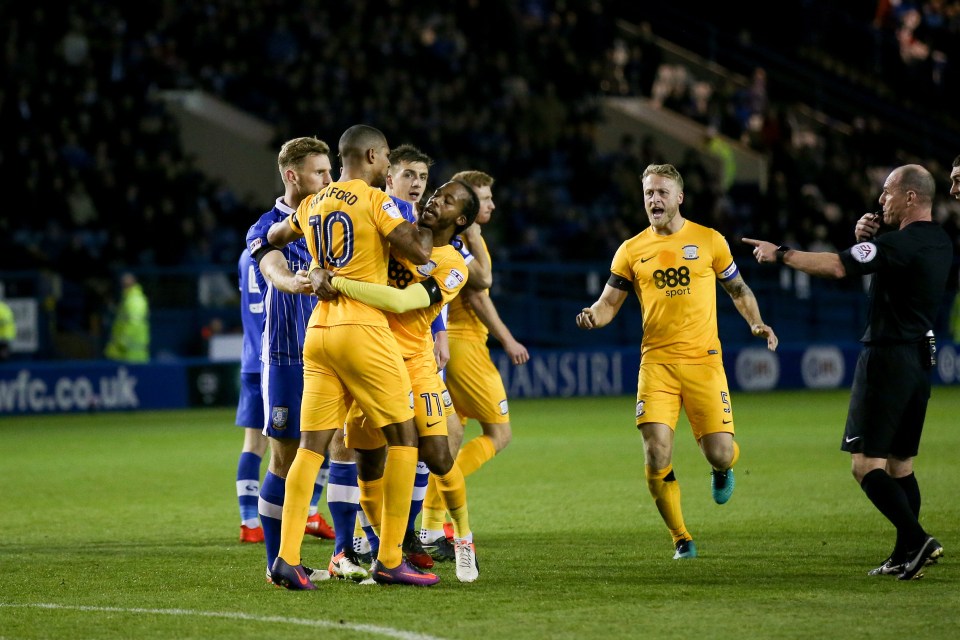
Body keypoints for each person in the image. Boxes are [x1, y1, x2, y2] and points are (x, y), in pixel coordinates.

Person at [743, 163, 949, 580]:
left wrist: (780, 253)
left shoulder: (901, 244)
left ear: (911, 197)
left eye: (888, 191)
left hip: (887, 359)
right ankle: (903, 554)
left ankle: (918, 539)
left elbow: (839, 267)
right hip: (920, 357)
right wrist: (869, 242)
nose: (881, 199)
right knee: (900, 465)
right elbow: (889, 265)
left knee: (864, 464)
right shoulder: (939, 241)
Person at [266, 124, 438, 589]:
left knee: (311, 447)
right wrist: (433, 227)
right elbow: (420, 250)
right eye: (385, 160)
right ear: (371, 155)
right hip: (362, 327)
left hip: (318, 331)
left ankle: (286, 558)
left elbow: (274, 238)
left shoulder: (312, 202)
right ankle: (390, 557)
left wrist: (314, 267)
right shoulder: (374, 199)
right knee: (405, 436)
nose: (388, 168)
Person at [576, 163, 777, 560]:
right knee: (656, 451)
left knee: (720, 451)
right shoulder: (631, 250)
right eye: (649, 192)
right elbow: (608, 303)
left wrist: (756, 322)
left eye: (662, 192)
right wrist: (592, 317)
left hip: (704, 363)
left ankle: (722, 469)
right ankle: (681, 537)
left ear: (679, 197)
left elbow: (738, 289)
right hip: (657, 365)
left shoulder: (709, 240)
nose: (654, 199)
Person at [328, 180, 483, 582]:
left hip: (415, 362)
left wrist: (336, 282)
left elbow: (402, 301)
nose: (435, 200)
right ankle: (386, 551)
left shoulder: (454, 265)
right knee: (368, 460)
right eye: (436, 194)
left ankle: (463, 537)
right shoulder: (396, 234)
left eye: (447, 201)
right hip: (372, 358)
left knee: (436, 454)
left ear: (461, 219)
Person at [418, 170, 528, 559]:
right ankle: (443, 504)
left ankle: (431, 525)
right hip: (463, 346)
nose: (490, 205)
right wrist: (509, 339)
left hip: (458, 345)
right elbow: (481, 289)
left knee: (451, 437)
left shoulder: (457, 236)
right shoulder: (461, 238)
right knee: (500, 435)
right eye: (483, 198)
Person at [245, 136, 336, 584]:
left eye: (330, 170)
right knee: (282, 459)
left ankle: (347, 555)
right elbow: (271, 266)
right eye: (320, 172)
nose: (329, 179)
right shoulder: (267, 224)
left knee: (343, 449)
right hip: (286, 356)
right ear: (291, 175)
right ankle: (275, 564)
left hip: (336, 352)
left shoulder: (336, 219)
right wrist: (294, 282)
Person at [235, 247, 268, 544]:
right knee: (315, 440)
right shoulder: (283, 252)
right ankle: (307, 512)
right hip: (279, 360)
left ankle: (249, 522)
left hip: (249, 359)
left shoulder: (246, 256)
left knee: (253, 444)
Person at [104, 272, 150, 362]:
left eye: (124, 283)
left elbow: (134, 323)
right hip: (124, 353)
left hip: (133, 355)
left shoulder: (135, 300)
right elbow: (123, 319)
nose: (123, 286)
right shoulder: (127, 299)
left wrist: (123, 342)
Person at [0, 282, 15, 361]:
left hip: (4, 337)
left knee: (4, 359)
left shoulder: (2, 308)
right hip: (5, 337)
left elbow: (5, 322)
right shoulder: (4, 307)